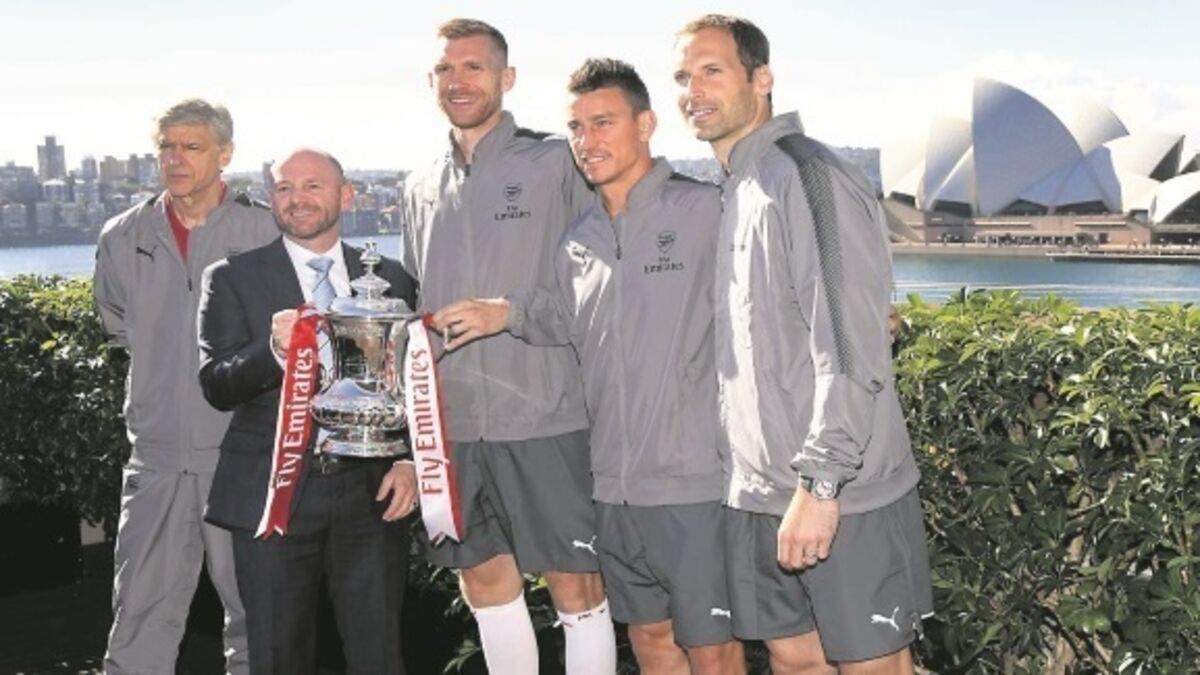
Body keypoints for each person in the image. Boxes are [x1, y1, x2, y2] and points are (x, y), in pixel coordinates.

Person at [434, 58, 744, 675]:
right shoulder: (579, 238)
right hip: (610, 485)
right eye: (576, 127)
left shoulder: (706, 209)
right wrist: (505, 313)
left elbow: (773, 285)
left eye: (603, 123)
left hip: (695, 483)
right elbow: (563, 316)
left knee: (713, 653)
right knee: (651, 642)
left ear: (646, 124)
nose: (587, 141)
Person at [672, 14, 934, 674]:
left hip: (838, 490)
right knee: (794, 660)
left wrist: (821, 482)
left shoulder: (808, 175)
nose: (692, 90)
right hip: (758, 492)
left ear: (761, 79)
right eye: (682, 76)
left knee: (874, 665)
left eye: (711, 71)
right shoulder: (737, 188)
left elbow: (847, 342)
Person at [400, 18, 616, 675]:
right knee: (484, 582)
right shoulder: (418, 184)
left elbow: (606, 276)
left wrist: (510, 313)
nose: (458, 81)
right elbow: (414, 307)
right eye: (445, 69)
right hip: (455, 427)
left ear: (507, 78)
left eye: (474, 67)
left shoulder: (556, 162)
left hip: (549, 416)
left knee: (577, 585)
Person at [197, 148, 419, 674]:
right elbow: (217, 384)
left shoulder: (391, 278)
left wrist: (410, 461)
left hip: (371, 492)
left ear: (347, 196)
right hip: (271, 493)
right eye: (284, 188)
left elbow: (414, 382)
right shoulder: (231, 277)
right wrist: (274, 350)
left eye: (313, 186)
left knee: (379, 654)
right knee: (278, 656)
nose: (297, 199)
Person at [93, 98, 277, 675]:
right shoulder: (122, 235)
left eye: (191, 147)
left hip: (243, 455)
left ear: (225, 154)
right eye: (166, 147)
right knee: (139, 614)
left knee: (257, 616)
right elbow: (118, 323)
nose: (175, 159)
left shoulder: (265, 229)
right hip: (155, 459)